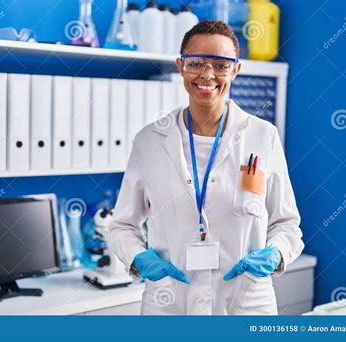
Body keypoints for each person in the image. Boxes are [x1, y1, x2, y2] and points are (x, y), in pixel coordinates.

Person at [108, 20, 304, 315]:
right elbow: (122, 224)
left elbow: (286, 224)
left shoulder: (262, 136)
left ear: (236, 69)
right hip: (170, 303)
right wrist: (138, 257)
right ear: (180, 65)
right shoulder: (149, 141)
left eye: (221, 65)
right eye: (196, 62)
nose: (207, 74)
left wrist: (276, 252)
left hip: (245, 302)